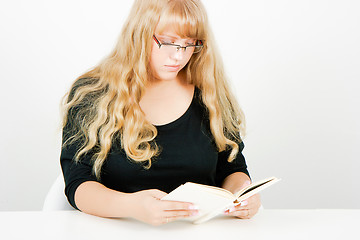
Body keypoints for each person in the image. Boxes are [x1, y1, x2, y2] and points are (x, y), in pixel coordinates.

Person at [60, 0, 261, 226]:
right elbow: (77, 183)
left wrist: (243, 194)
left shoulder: (210, 94)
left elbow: (233, 168)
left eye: (189, 44)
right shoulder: (93, 93)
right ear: (139, 34)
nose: (178, 56)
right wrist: (132, 206)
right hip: (116, 231)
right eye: (168, 42)